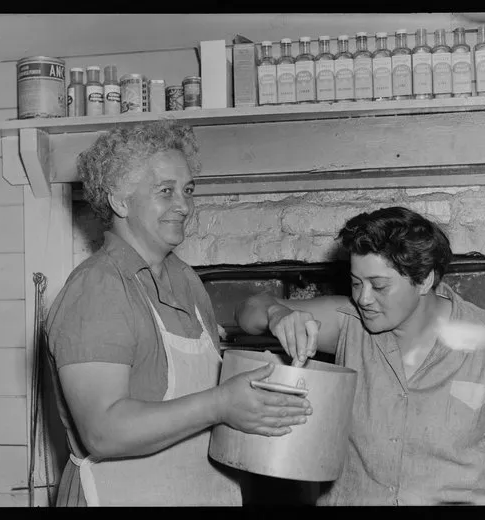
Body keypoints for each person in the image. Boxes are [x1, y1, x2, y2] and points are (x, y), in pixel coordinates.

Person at [45, 122, 312, 507]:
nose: (184, 205)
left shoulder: (182, 278)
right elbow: (102, 432)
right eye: (165, 191)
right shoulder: (97, 288)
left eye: (188, 190)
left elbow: (236, 325)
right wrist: (221, 404)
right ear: (119, 201)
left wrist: (275, 313)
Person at [235, 206, 485, 506]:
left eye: (378, 286)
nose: (363, 298)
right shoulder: (348, 323)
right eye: (355, 282)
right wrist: (277, 313)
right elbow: (248, 312)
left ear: (424, 280)